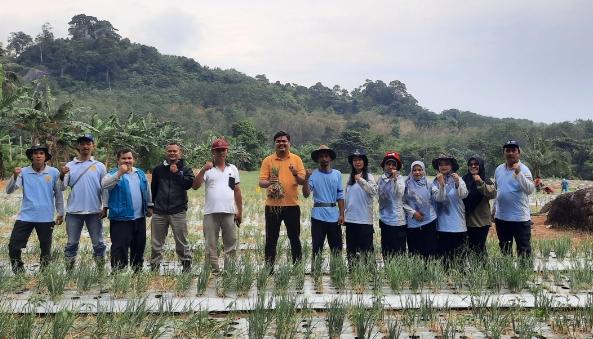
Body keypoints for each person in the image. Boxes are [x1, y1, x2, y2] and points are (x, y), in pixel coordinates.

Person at [6, 144, 64, 274]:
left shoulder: (53, 172)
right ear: (31, 156)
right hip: (25, 216)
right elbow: (9, 190)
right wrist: (14, 176)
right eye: (35, 153)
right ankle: (19, 272)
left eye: (41, 153)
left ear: (45, 156)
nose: (38, 155)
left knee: (45, 249)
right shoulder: (23, 172)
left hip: (46, 217)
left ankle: (44, 273)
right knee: (13, 246)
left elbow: (58, 194)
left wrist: (60, 212)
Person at [193, 138, 242, 274]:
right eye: (218, 150)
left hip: (229, 212)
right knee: (210, 245)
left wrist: (240, 211)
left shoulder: (232, 169)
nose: (221, 152)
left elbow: (236, 191)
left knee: (230, 244)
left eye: (223, 149)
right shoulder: (208, 169)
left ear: (227, 151)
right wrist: (203, 170)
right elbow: (195, 186)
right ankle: (214, 271)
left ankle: (230, 271)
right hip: (211, 213)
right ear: (212, 152)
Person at [258, 131, 306, 269]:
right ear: (275, 144)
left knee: (295, 239)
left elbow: (302, 181)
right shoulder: (268, 160)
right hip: (272, 206)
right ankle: (269, 269)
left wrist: (295, 173)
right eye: (278, 141)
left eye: (284, 141)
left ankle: (297, 268)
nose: (281, 143)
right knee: (271, 239)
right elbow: (261, 182)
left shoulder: (296, 159)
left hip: (292, 206)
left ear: (289, 143)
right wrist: (269, 182)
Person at [60, 134, 107, 271]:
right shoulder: (69, 165)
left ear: (93, 146)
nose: (85, 146)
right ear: (78, 146)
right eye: (82, 144)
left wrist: (105, 207)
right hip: (74, 211)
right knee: (71, 243)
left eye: (88, 143)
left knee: (98, 243)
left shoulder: (99, 166)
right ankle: (69, 271)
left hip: (94, 211)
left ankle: (100, 270)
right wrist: (62, 174)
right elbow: (62, 187)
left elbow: (105, 189)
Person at [102, 149, 153, 272]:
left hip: (139, 218)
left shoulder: (139, 173)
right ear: (118, 160)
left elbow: (147, 190)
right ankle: (119, 274)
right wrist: (119, 173)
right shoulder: (112, 174)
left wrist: (150, 205)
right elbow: (105, 185)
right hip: (120, 218)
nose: (127, 161)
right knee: (119, 248)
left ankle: (137, 272)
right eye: (124, 158)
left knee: (139, 246)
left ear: (133, 159)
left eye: (129, 158)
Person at [150, 142, 195, 273]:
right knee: (156, 243)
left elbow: (188, 184)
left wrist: (177, 174)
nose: (172, 153)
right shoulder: (158, 170)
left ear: (179, 153)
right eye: (169, 151)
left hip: (178, 211)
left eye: (175, 151)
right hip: (159, 211)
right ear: (166, 153)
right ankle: (154, 268)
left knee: (182, 243)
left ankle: (186, 268)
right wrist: (151, 206)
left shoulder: (186, 168)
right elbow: (154, 189)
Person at [302, 145, 345, 269]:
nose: (324, 159)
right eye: (321, 156)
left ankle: (337, 272)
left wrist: (342, 214)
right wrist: (306, 178)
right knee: (317, 247)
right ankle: (315, 273)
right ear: (317, 159)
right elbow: (306, 194)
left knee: (336, 248)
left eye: (326, 156)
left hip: (334, 216)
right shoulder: (313, 175)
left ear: (330, 158)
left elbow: (340, 195)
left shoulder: (337, 174)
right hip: (318, 216)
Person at [494, 140, 535, 258]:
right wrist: (494, 210)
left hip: (520, 218)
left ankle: (524, 275)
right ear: (504, 153)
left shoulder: (524, 169)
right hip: (501, 218)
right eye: (508, 150)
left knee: (524, 250)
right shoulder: (499, 169)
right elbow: (498, 190)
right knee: (505, 249)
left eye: (513, 150)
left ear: (519, 152)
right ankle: (508, 275)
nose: (510, 153)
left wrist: (518, 173)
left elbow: (530, 189)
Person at [432, 154, 469, 267]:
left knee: (459, 261)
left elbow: (463, 195)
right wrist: (442, 185)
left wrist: (457, 182)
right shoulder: (434, 182)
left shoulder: (459, 179)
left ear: (452, 166)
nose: (444, 167)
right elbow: (439, 198)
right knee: (444, 262)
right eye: (441, 164)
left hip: (458, 226)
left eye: (447, 164)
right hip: (442, 227)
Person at [343, 149, 377, 267]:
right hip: (351, 219)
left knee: (367, 251)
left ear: (364, 162)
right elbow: (346, 198)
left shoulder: (370, 177)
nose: (357, 162)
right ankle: (353, 275)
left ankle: (370, 277)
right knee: (351, 252)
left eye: (360, 160)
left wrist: (361, 180)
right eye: (355, 160)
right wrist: (342, 214)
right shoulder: (349, 179)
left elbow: (373, 191)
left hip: (365, 221)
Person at [462, 155, 496, 257]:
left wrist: (480, 182)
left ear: (480, 165)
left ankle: (483, 270)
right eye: (471, 164)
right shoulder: (464, 179)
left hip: (481, 222)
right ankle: (472, 270)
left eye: (476, 164)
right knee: (467, 248)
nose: (473, 166)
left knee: (479, 249)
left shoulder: (485, 179)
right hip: (466, 220)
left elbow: (492, 194)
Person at [404, 161, 438, 259]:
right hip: (412, 224)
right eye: (414, 170)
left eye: (420, 170)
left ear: (424, 171)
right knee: (415, 253)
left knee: (430, 252)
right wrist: (414, 213)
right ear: (411, 171)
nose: (417, 172)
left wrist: (443, 186)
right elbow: (402, 202)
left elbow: (438, 198)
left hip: (429, 222)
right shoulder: (406, 185)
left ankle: (429, 273)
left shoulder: (429, 184)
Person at [377, 151, 407, 260]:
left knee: (399, 251)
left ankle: (399, 274)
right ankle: (388, 273)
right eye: (388, 164)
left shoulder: (400, 179)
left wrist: (394, 179)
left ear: (397, 166)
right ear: (384, 165)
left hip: (397, 220)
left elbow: (399, 193)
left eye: (393, 164)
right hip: (384, 219)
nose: (391, 167)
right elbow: (377, 195)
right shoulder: (381, 179)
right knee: (386, 249)